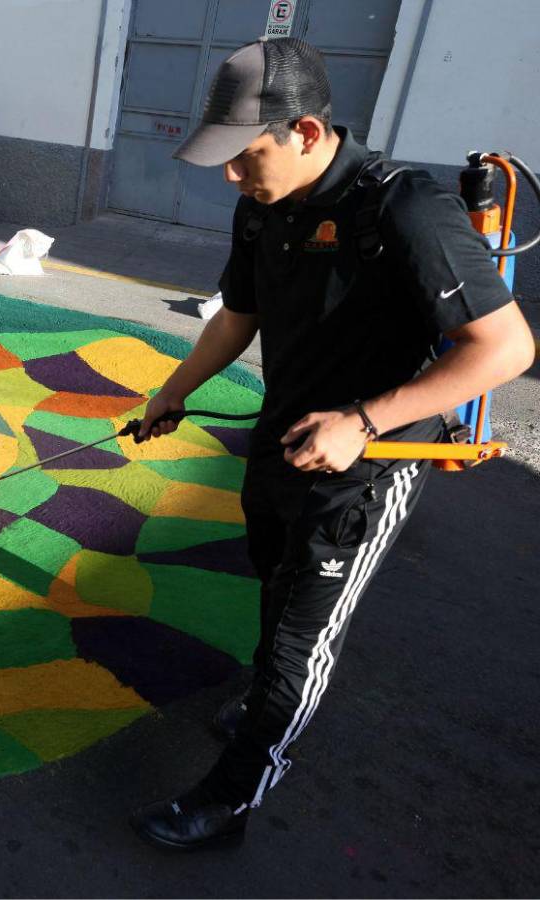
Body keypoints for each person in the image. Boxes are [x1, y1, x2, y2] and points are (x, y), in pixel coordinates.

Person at [126, 37, 535, 851]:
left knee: (300, 636)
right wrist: (176, 391)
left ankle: (232, 798)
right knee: (273, 587)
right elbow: (238, 316)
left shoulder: (406, 209)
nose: (231, 176)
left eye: (245, 156)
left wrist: (364, 422)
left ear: (307, 132)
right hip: (281, 442)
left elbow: (507, 349)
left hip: (366, 470)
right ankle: (270, 695)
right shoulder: (263, 205)